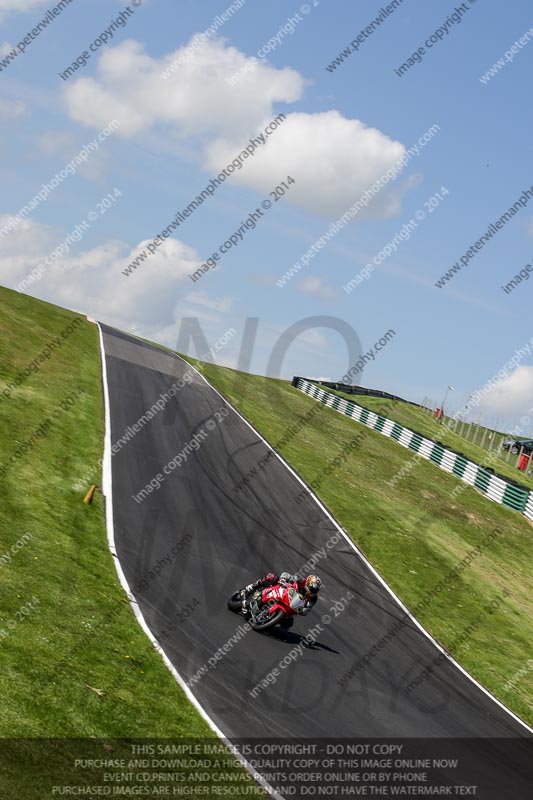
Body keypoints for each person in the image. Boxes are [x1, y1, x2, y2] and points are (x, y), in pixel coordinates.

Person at [242, 571, 322, 626]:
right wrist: (283, 579)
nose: (313, 591)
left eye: (316, 590)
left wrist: (303, 610)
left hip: (290, 606)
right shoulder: (300, 580)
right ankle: (252, 587)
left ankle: (269, 619)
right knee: (272, 577)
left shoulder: (313, 598)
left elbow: (306, 611)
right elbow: (286, 575)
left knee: (288, 624)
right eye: (313, 588)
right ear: (308, 583)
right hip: (282, 591)